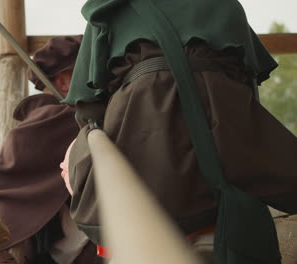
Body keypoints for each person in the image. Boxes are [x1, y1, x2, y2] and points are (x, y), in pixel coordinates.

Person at [62, 0, 297, 263]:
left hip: (143, 191)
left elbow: (88, 110)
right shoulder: (227, 7)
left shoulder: (108, 10)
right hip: (221, 191)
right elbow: (247, 90)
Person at [0, 35, 104, 264]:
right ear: (63, 83)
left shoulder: (61, 119)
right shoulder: (59, 120)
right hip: (61, 250)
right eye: (88, 72)